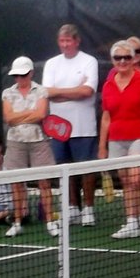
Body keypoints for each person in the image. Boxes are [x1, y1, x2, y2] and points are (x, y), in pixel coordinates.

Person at [41, 24, 100, 224]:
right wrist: (75, 90)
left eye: (68, 41)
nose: (65, 45)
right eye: (62, 41)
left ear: (77, 41)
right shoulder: (51, 64)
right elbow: (47, 93)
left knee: (86, 169)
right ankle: (72, 208)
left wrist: (60, 93)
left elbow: (87, 92)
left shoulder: (89, 61)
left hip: (84, 126)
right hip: (58, 128)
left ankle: (89, 210)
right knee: (64, 168)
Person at [99, 40, 140, 241]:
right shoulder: (108, 85)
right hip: (116, 139)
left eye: (126, 57)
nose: (122, 61)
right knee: (126, 181)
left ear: (134, 59)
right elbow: (106, 117)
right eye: (118, 57)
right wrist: (102, 146)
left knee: (137, 178)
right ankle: (132, 223)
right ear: (112, 60)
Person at [1, 55, 58, 237]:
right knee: (16, 184)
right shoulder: (7, 93)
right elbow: (9, 118)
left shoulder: (41, 91)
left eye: (23, 75)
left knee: (44, 183)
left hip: (39, 141)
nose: (19, 78)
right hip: (15, 142)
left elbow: (40, 114)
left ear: (31, 73)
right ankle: (17, 222)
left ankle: (50, 222)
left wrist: (19, 115)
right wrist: (29, 113)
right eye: (16, 75)